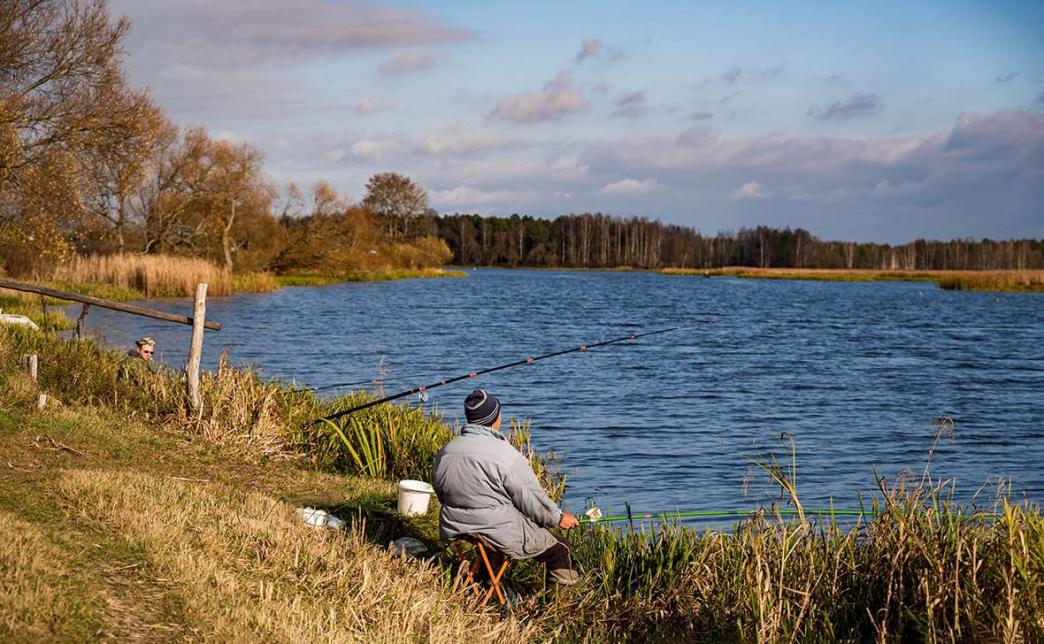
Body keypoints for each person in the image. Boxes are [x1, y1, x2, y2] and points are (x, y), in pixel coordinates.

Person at [433, 389, 580, 589]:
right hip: (493, 529)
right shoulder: (506, 455)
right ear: (495, 418)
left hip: (455, 526)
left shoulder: (446, 451)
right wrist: (558, 518)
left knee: (493, 544)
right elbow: (533, 501)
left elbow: (440, 491)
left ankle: (483, 584)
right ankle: (562, 601)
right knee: (561, 549)